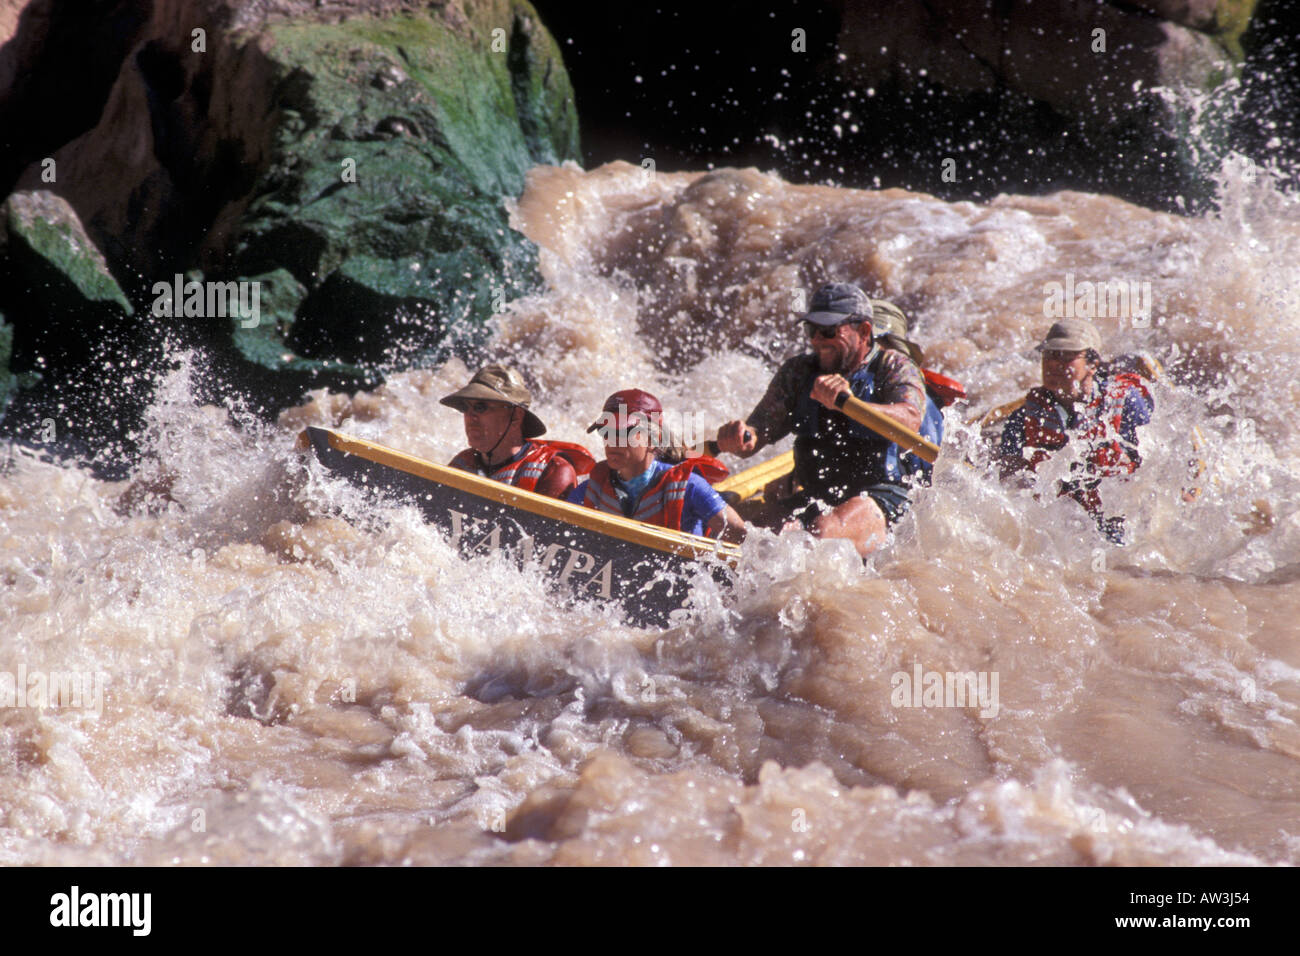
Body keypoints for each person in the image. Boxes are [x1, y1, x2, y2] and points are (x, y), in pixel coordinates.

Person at [715, 282, 928, 557]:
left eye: (828, 331)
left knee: (820, 536)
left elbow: (911, 420)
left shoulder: (894, 367)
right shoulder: (797, 372)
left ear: (863, 331)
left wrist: (850, 404)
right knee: (746, 534)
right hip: (816, 497)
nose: (817, 340)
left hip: (881, 499)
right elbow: (757, 432)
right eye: (811, 330)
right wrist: (742, 438)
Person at [997, 318, 1153, 543]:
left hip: (1122, 524)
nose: (1052, 365)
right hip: (1061, 532)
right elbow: (1009, 488)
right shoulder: (1021, 420)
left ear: (1093, 364)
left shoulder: (1125, 402)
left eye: (1065, 356)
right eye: (1049, 355)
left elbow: (1152, 471)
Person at [569, 388, 745, 541]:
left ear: (655, 439)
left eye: (625, 432)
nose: (613, 440)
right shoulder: (592, 488)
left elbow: (738, 533)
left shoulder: (689, 486)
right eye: (605, 431)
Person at [441, 364, 593, 499]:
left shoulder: (554, 471)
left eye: (481, 407)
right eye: (465, 407)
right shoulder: (461, 464)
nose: (470, 416)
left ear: (516, 415)